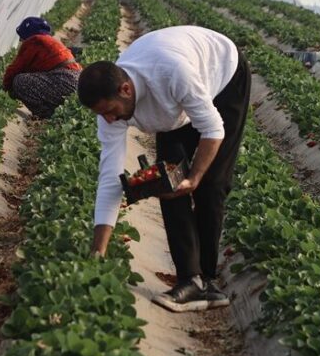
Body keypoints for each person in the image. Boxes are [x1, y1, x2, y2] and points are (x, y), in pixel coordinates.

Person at [77, 25, 251, 312]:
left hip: (223, 76)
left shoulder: (171, 73)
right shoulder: (110, 110)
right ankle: (189, 279)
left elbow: (213, 128)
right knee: (167, 181)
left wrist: (195, 176)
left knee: (210, 184)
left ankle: (207, 282)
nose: (108, 120)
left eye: (110, 111)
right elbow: (110, 178)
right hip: (171, 107)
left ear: (126, 89)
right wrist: (98, 250)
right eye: (101, 114)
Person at [2, 16, 82, 119]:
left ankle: (48, 115)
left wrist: (6, 87)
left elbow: (16, 68)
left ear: (27, 34)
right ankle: (62, 111)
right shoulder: (49, 41)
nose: (21, 41)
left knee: (19, 81)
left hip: (65, 80)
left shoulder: (34, 41)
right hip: (78, 80)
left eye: (21, 38)